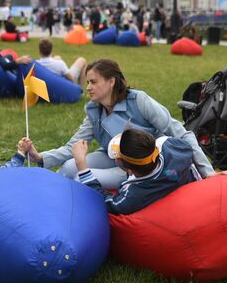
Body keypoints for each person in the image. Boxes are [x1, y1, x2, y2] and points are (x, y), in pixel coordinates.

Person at [26, 59, 215, 190]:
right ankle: (49, 199)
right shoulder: (94, 110)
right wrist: (39, 157)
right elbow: (72, 147)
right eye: (88, 82)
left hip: (140, 166)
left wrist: (208, 174)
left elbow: (182, 134)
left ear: (111, 82)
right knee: (68, 167)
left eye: (93, 82)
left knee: (80, 179)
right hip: (112, 156)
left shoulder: (139, 100)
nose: (88, 87)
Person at [73, 128, 207, 215]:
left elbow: (109, 203)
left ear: (130, 171)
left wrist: (81, 165)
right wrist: (209, 173)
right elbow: (187, 142)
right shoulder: (172, 146)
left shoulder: (134, 194)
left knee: (77, 179)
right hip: (184, 180)